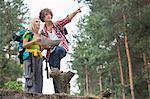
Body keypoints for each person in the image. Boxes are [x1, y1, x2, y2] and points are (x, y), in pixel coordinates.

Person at [39, 7, 82, 93]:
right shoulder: (43, 32)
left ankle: (59, 77)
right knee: (55, 74)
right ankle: (58, 92)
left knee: (58, 50)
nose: (48, 16)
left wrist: (76, 12)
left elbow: (67, 19)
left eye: (49, 14)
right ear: (43, 18)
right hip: (50, 53)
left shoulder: (57, 24)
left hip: (61, 48)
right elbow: (42, 45)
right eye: (46, 15)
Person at [23, 18, 43, 93]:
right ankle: (29, 93)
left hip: (38, 56)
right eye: (36, 21)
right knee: (29, 75)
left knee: (38, 77)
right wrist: (34, 40)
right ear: (32, 24)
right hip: (29, 56)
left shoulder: (40, 35)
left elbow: (40, 48)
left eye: (39, 22)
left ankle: (38, 93)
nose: (38, 23)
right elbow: (24, 45)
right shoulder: (28, 34)